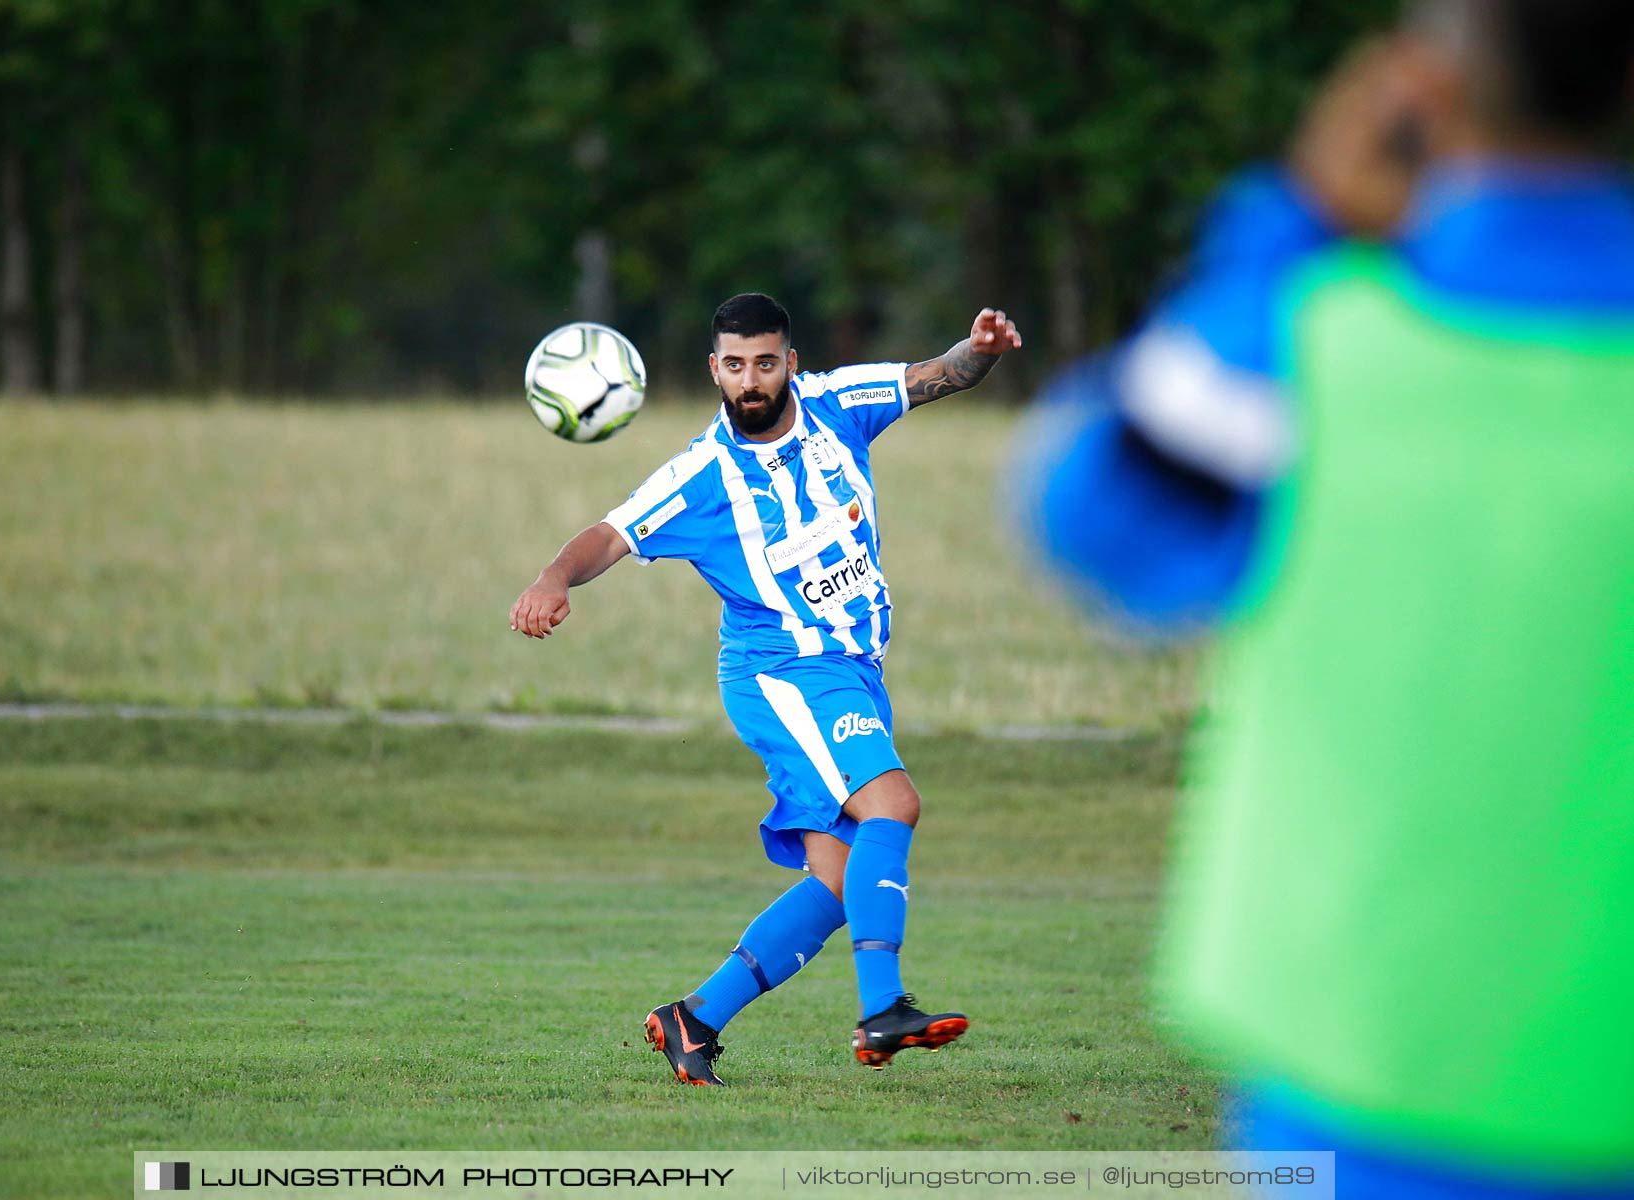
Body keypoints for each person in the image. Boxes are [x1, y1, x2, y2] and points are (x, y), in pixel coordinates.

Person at [1007, 0, 1634, 1195]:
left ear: (1426, 84)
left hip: (1359, 1070)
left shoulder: (1297, 349)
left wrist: (1290, 221)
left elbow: (1086, 521)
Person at [512, 293, 1020, 1085]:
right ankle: (883, 1010)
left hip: (852, 670)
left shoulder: (839, 406)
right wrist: (553, 578)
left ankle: (693, 1018)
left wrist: (982, 348)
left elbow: (939, 376)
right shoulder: (704, 475)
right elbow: (610, 533)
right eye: (736, 366)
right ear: (715, 371)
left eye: (767, 363)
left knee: (839, 877)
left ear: (791, 361)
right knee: (894, 805)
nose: (752, 380)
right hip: (781, 673)